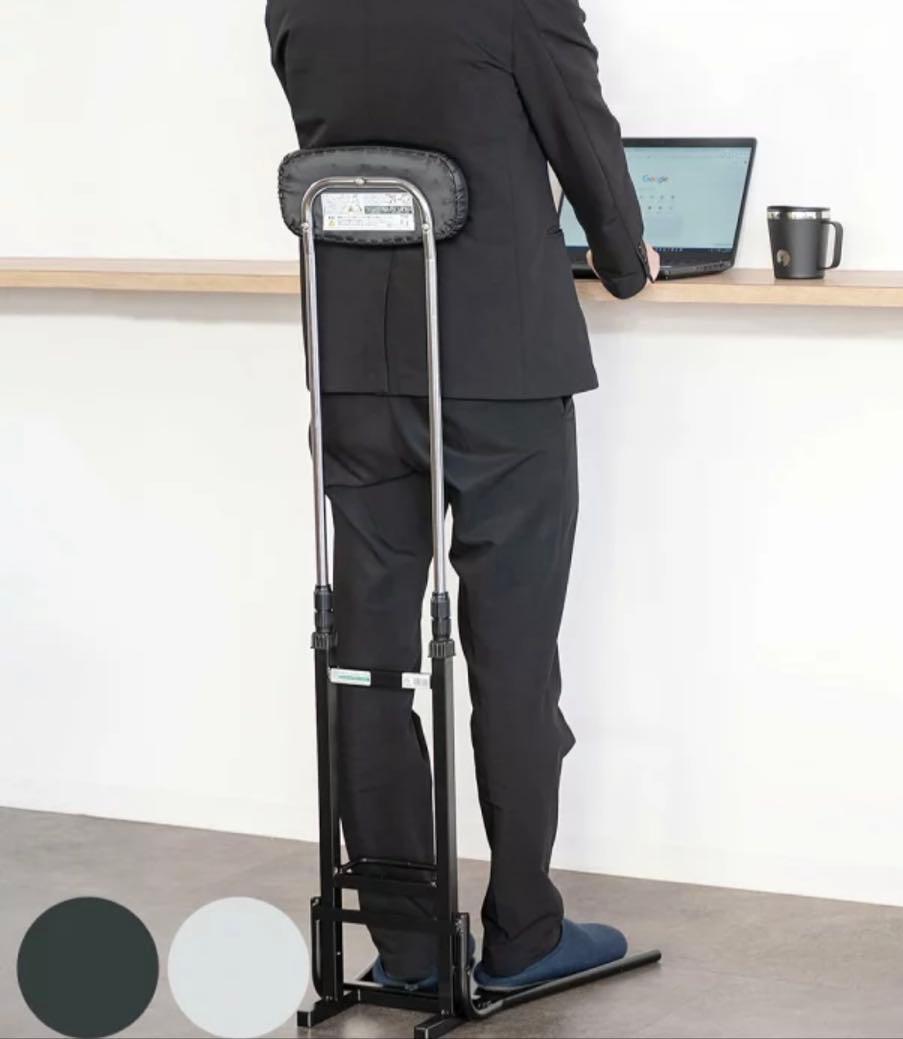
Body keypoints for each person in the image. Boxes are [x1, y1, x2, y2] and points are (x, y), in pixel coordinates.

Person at [265, 0, 660, 992]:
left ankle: (404, 948)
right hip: (501, 370)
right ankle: (524, 932)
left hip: (354, 363)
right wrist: (626, 263)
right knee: (513, 657)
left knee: (367, 657)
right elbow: (583, 140)